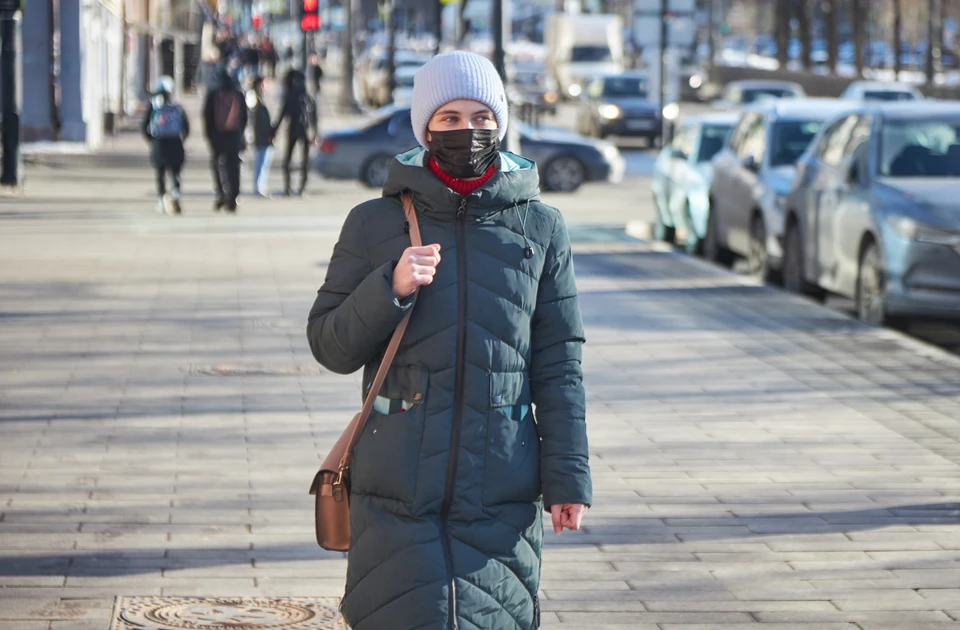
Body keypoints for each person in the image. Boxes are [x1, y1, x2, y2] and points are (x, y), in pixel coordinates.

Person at [306, 51, 591, 630]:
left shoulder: (540, 227)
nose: (468, 131)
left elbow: (559, 365)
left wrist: (569, 479)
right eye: (451, 118)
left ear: (501, 122)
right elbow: (329, 345)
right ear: (425, 129)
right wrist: (389, 287)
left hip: (501, 489)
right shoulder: (373, 222)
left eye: (482, 116)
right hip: (397, 492)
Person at [141, 75, 189, 215]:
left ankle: (162, 200)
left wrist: (152, 140)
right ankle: (176, 193)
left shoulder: (154, 106)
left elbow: (144, 126)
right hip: (175, 143)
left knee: (160, 173)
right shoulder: (177, 107)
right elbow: (186, 128)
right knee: (175, 172)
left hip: (159, 143)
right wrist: (181, 139)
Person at [203, 66, 248, 212]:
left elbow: (207, 116)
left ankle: (221, 192)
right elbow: (244, 117)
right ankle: (234, 196)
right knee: (234, 167)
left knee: (217, 165)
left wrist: (209, 135)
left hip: (217, 135)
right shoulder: (238, 94)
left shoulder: (213, 93)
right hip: (234, 135)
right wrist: (240, 133)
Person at [273, 70, 316, 196]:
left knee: (290, 160)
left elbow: (282, 114)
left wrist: (274, 129)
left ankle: (290, 187)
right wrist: (314, 132)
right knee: (303, 160)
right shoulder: (307, 97)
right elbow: (314, 118)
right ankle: (300, 187)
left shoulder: (291, 95)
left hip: (294, 129)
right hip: (304, 131)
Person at [248, 76, 274, 197]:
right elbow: (254, 119)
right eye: (264, 84)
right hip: (261, 136)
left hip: (263, 135)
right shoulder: (254, 99)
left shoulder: (259, 99)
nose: (266, 87)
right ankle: (258, 186)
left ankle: (261, 186)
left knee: (263, 162)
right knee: (261, 162)